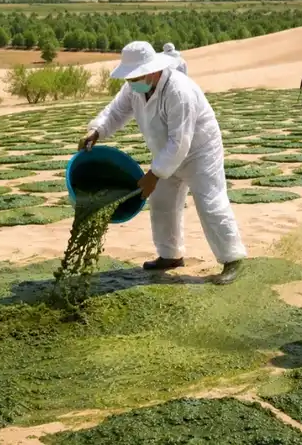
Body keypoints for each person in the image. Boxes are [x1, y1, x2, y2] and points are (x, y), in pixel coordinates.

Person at [78, 40, 246, 285]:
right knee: (162, 202)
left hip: (200, 153)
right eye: (130, 77)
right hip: (165, 152)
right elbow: (115, 112)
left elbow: (181, 141)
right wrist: (96, 131)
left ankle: (233, 258)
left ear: (154, 70)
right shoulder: (134, 89)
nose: (132, 81)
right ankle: (170, 255)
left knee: (210, 201)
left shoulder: (179, 91)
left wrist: (154, 174)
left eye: (136, 76)